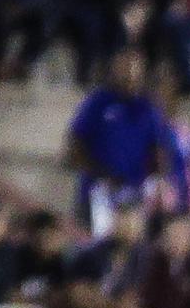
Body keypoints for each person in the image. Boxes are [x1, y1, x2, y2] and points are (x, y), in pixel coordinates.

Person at [65, 47, 168, 232]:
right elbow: (75, 143)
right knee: (97, 244)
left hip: (134, 193)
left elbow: (158, 147)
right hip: (98, 192)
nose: (129, 74)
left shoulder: (148, 106)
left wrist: (158, 180)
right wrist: (100, 174)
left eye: (134, 68)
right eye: (124, 67)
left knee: (131, 247)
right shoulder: (98, 102)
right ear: (114, 69)